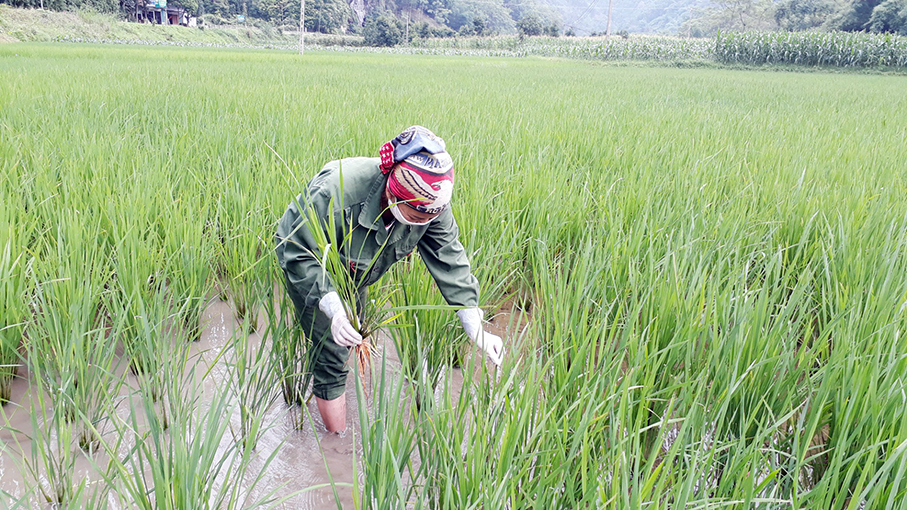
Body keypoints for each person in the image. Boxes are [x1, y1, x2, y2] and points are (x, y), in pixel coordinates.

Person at [275, 126, 504, 433]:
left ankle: (343, 384)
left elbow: (450, 257)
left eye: (429, 219)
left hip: (356, 269)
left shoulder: (431, 203)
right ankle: (336, 445)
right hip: (314, 265)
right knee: (331, 349)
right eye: (418, 216)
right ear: (393, 194)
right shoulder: (336, 190)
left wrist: (475, 325)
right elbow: (296, 249)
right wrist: (332, 307)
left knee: (353, 332)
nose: (424, 224)